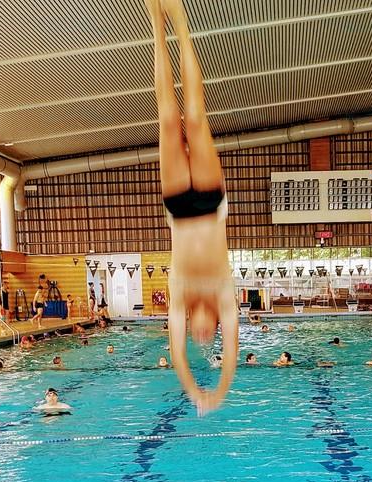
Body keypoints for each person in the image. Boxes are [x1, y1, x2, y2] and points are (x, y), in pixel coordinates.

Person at [147, 0, 238, 414]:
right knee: (197, 119)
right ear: (215, 325)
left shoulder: (181, 297)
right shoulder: (223, 297)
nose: (198, 338)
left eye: (195, 339)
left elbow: (177, 354)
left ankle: (155, 23)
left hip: (179, 209)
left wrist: (193, 391)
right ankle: (180, 23)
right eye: (207, 337)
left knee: (167, 120)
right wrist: (217, 391)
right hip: (210, 201)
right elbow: (233, 354)